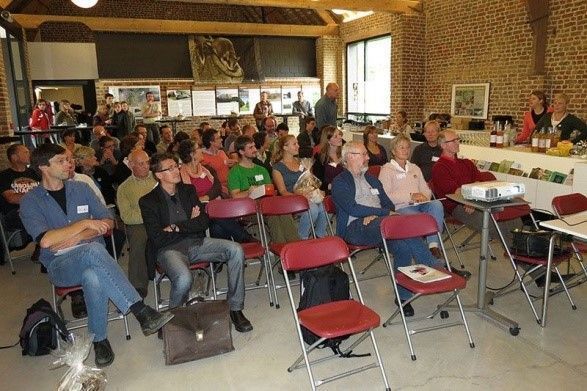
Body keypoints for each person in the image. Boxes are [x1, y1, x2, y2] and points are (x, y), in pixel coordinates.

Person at [20, 143, 174, 367]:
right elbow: (45, 240)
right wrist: (86, 224)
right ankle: (140, 310)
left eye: (69, 159)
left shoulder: (81, 189)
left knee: (93, 275)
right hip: (60, 265)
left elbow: (108, 220)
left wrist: (78, 236)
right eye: (61, 161)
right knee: (93, 249)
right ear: (43, 167)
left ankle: (99, 340)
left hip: (93, 257)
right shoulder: (31, 201)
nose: (69, 164)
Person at [331, 141, 469, 316]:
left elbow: (388, 204)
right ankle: (434, 265)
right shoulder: (340, 181)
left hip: (380, 224)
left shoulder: (372, 179)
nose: (367, 158)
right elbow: (353, 208)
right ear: (349, 157)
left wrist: (381, 214)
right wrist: (382, 213)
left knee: (403, 246)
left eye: (366, 154)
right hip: (355, 227)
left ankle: (403, 297)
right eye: (363, 154)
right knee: (399, 223)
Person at [139, 152, 252, 333]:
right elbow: (157, 237)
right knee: (184, 279)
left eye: (176, 166)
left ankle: (236, 308)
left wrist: (176, 227)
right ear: (159, 175)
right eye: (171, 168)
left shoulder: (188, 190)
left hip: (197, 242)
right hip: (169, 251)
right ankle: (171, 320)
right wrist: (189, 224)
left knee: (235, 250)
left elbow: (203, 222)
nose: (177, 170)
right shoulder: (147, 201)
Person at [431, 130, 519, 243]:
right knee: (490, 221)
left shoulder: (466, 163)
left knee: (511, 213)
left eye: (458, 139)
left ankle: (522, 247)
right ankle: (514, 249)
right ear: (443, 145)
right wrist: (470, 200)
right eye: (454, 140)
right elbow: (455, 192)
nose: (458, 142)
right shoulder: (439, 167)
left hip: (475, 201)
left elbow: (479, 182)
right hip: (457, 205)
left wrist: (473, 198)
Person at [379, 134, 445, 259]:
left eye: (407, 147)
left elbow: (426, 189)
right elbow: (385, 196)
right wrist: (410, 196)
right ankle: (424, 254)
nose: (405, 150)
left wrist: (424, 196)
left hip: (420, 204)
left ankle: (433, 245)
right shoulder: (386, 170)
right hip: (400, 207)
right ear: (393, 151)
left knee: (437, 204)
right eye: (401, 147)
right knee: (419, 218)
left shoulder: (415, 168)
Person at [228, 136, 299, 245]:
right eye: (250, 148)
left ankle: (295, 247)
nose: (255, 149)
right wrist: (249, 192)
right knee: (273, 215)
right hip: (248, 210)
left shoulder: (261, 169)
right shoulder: (235, 171)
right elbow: (234, 196)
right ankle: (283, 250)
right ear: (241, 151)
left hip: (267, 204)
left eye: (254, 146)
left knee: (284, 211)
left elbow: (270, 189)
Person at [179, 140, 254, 243]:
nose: (201, 150)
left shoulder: (207, 169)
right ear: (192, 154)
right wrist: (202, 201)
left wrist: (206, 198)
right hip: (197, 210)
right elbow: (186, 196)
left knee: (217, 227)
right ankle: (244, 237)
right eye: (198, 148)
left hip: (214, 205)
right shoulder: (180, 175)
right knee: (214, 212)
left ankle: (226, 254)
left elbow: (217, 186)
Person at [116, 149, 157, 298]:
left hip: (164, 218)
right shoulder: (124, 188)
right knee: (139, 238)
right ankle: (138, 284)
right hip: (140, 223)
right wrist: (150, 216)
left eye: (147, 162)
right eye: (141, 164)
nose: (146, 166)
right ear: (131, 165)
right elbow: (126, 216)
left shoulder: (158, 177)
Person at [272, 135, 328, 239]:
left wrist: (316, 190)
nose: (298, 146)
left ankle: (320, 234)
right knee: (313, 209)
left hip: (307, 196)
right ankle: (302, 237)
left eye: (297, 143)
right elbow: (283, 191)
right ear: (285, 147)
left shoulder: (302, 162)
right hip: (291, 199)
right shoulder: (277, 168)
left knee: (323, 206)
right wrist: (298, 195)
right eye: (294, 144)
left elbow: (310, 181)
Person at [0, 144, 39, 251]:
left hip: (37, 210)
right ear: (14, 157)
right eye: (25, 152)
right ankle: (41, 246)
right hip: (14, 213)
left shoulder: (34, 173)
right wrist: (38, 198)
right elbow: (12, 198)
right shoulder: (4, 176)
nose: (29, 154)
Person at [202, 128, 236, 195]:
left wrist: (233, 163)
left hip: (230, 184)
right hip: (218, 189)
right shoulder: (203, 157)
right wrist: (221, 188)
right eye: (218, 138)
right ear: (211, 142)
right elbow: (208, 179)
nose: (221, 140)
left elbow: (227, 166)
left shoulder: (221, 152)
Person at [311, 125, 344, 194]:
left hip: (346, 190)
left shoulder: (344, 154)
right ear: (328, 141)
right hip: (330, 193)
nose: (340, 137)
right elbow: (318, 183)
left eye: (340, 135)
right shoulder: (320, 158)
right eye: (335, 136)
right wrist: (333, 186)